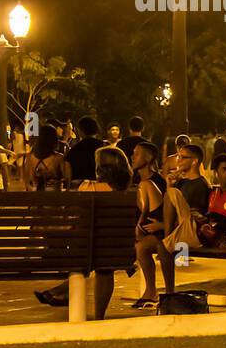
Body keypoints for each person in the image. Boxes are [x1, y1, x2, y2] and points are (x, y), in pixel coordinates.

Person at [34, 145, 134, 319]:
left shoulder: (87, 187)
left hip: (83, 249)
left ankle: (61, 291)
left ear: (100, 168)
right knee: (104, 267)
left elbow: (73, 217)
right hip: (115, 250)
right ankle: (98, 316)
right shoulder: (130, 193)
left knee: (83, 258)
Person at [131, 141, 172, 308]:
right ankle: (150, 290)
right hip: (149, 232)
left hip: (164, 233)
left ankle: (151, 291)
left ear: (149, 158)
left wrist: (162, 225)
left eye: (137, 153)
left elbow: (151, 212)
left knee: (141, 247)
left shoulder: (152, 182)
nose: (133, 157)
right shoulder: (139, 182)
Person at [200, 155, 226, 248]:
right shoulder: (213, 193)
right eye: (224, 169)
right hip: (211, 231)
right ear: (216, 173)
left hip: (225, 233)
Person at [24, 125, 69, 191]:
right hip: (54, 195)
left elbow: (27, 182)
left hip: (36, 195)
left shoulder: (29, 157)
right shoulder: (58, 158)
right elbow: (67, 179)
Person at [64, 116, 105, 186]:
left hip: (80, 189)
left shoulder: (74, 150)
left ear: (80, 131)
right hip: (102, 187)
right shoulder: (105, 147)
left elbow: (68, 176)